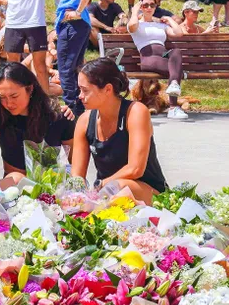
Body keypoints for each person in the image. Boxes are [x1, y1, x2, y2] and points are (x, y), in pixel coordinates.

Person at [69, 58, 167, 203]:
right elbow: (77, 177)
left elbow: (135, 169)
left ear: (108, 89)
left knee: (119, 187)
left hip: (146, 190)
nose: (80, 96)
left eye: (85, 90)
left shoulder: (136, 112)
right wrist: (76, 195)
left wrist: (100, 185)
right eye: (79, 90)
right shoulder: (84, 121)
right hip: (106, 193)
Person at [127, 0, 188, 120]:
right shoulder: (136, 24)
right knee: (177, 72)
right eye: (145, 5)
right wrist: (134, 11)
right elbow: (132, 26)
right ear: (141, 7)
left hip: (163, 55)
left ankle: (174, 89)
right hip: (149, 57)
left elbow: (178, 33)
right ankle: (173, 107)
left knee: (176, 51)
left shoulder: (160, 25)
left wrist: (170, 19)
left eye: (152, 5)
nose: (149, 8)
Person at [56, 0, 95, 115]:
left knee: (65, 69)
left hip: (74, 24)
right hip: (77, 24)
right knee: (73, 69)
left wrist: (78, 11)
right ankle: (79, 109)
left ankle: (72, 109)